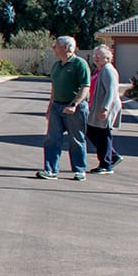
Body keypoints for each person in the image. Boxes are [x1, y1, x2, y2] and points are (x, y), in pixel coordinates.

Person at [41, 35, 91, 181]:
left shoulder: (79, 64)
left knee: (76, 139)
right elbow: (54, 88)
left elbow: (85, 86)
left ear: (67, 47)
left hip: (74, 107)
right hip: (57, 106)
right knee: (52, 138)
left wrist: (74, 104)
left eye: (56, 45)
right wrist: (49, 107)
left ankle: (79, 170)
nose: (53, 48)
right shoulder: (57, 66)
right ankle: (50, 170)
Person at [85, 44, 124, 173]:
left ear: (107, 58)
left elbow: (111, 92)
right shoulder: (99, 70)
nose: (96, 58)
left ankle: (106, 164)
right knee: (92, 131)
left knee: (103, 134)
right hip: (97, 107)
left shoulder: (108, 70)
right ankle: (112, 156)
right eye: (95, 55)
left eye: (99, 56)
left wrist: (105, 108)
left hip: (106, 107)